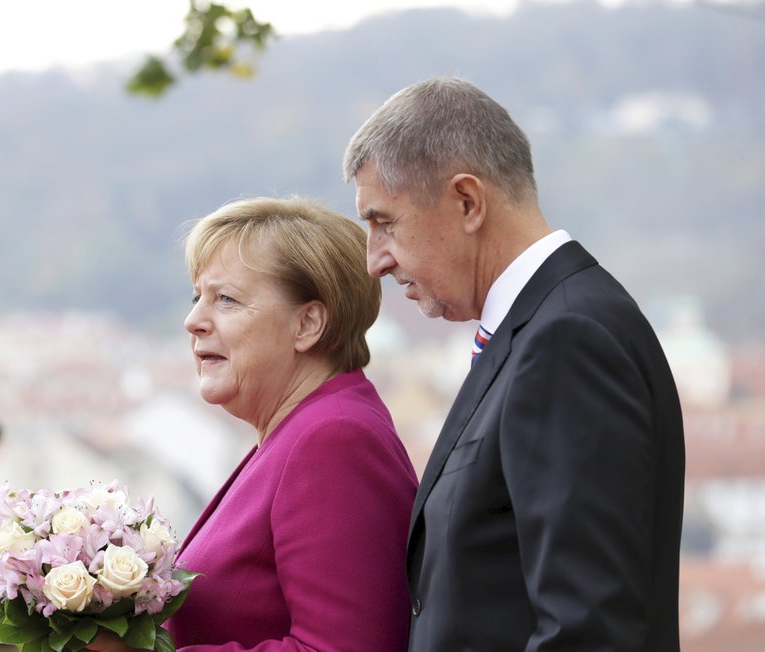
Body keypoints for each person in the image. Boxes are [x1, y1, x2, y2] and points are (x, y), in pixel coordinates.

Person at [342, 76, 686, 651]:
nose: (374, 260)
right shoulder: (543, 326)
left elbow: (587, 631)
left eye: (384, 223)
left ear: (467, 202)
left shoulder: (568, 340)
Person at [87, 196, 418, 651]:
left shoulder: (334, 440)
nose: (193, 321)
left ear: (308, 324)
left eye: (225, 299)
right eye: (196, 297)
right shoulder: (294, 433)